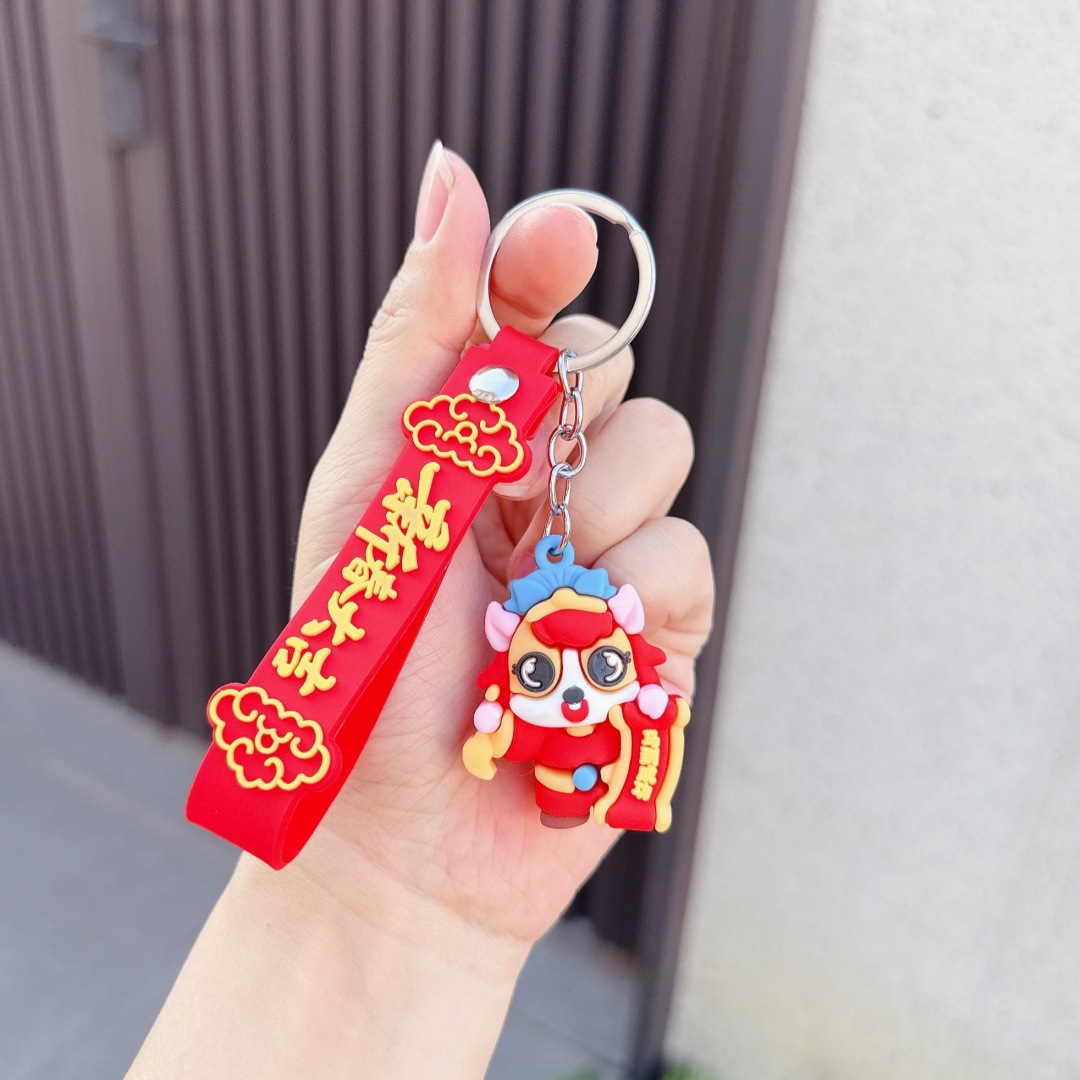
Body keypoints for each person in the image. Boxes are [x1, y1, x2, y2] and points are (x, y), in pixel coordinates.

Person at [128, 142, 713, 1079]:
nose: (576, 683)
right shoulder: (499, 677)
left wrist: (407, 917)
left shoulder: (593, 689)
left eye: (601, 666)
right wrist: (364, 877)